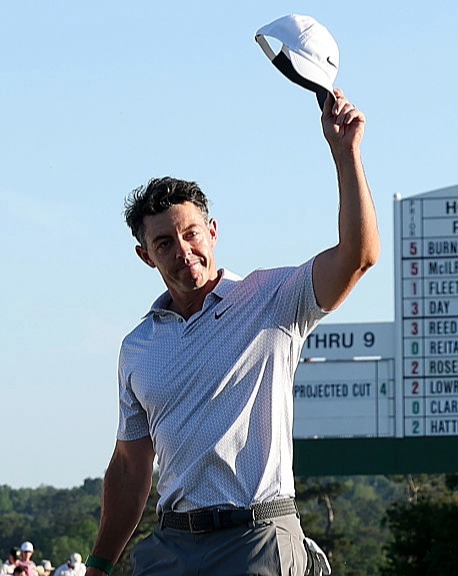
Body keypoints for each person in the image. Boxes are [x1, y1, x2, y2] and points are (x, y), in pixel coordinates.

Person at [84, 87, 379, 576]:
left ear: (212, 231)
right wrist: (98, 563)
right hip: (172, 545)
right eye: (164, 243)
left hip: (257, 537)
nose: (183, 251)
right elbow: (131, 467)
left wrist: (346, 154)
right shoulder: (137, 347)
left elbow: (359, 255)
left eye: (190, 233)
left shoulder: (273, 299)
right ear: (145, 256)